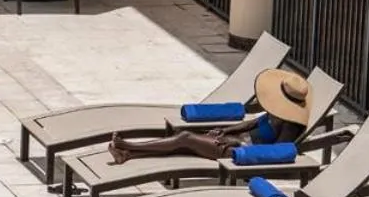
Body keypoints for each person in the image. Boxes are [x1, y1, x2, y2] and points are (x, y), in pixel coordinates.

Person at [108, 68, 312, 164]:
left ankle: (129, 146)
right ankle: (128, 155)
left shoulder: (290, 125)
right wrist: (227, 130)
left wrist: (238, 145)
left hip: (233, 153)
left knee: (185, 138)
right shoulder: (276, 114)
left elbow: (277, 152)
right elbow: (252, 123)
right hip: (230, 141)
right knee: (182, 144)